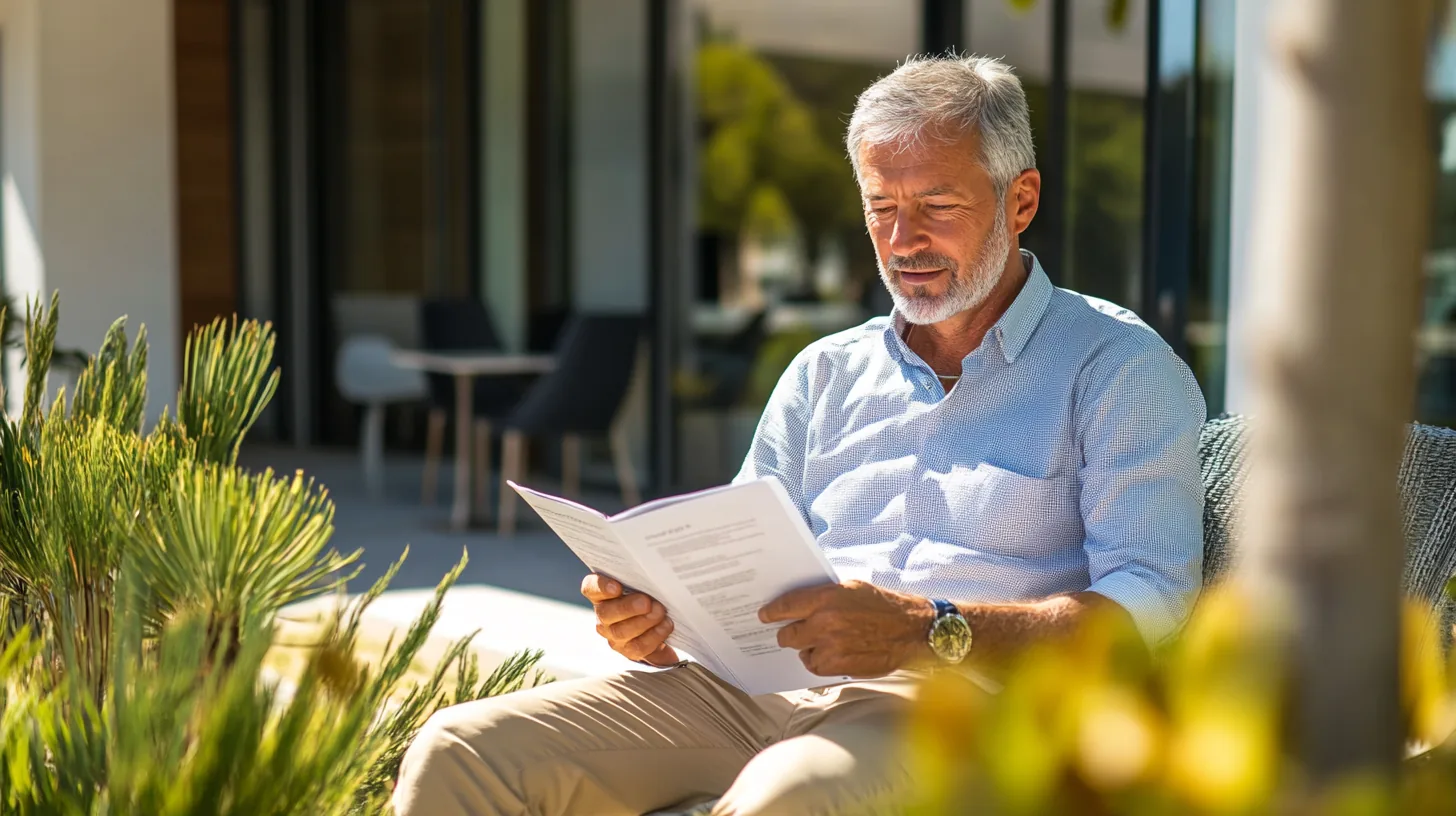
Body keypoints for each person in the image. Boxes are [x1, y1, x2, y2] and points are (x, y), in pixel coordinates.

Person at [392, 54, 1206, 816]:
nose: (902, 241)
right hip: (757, 691)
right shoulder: (825, 373)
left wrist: (929, 628)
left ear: (1020, 200)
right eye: (881, 208)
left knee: (786, 797)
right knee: (460, 750)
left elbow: (1153, 608)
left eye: (937, 207)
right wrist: (659, 614)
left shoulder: (1118, 368)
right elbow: (739, 561)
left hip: (962, 708)